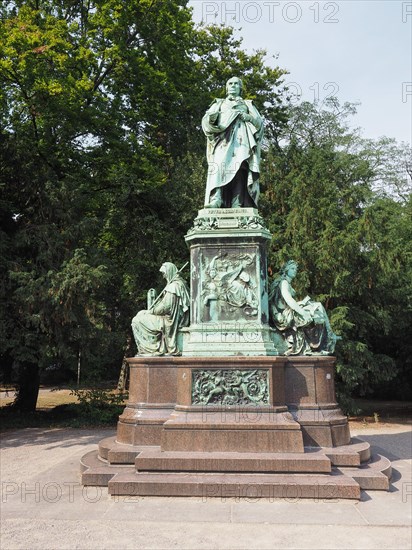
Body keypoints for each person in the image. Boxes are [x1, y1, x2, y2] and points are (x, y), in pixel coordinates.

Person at [202, 77, 264, 208]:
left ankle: (238, 202)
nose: (233, 86)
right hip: (223, 141)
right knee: (218, 167)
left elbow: (259, 125)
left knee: (240, 170)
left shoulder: (248, 104)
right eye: (230, 83)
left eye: (236, 84)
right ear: (226, 87)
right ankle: (216, 199)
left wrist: (249, 118)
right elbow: (206, 122)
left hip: (242, 141)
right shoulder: (218, 104)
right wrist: (211, 120)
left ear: (240, 88)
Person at [269, 260, 340, 355]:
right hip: (283, 316)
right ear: (286, 270)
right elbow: (289, 300)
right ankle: (328, 339)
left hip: (287, 311)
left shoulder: (286, 283)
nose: (295, 271)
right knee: (316, 308)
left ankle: (328, 337)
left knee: (317, 306)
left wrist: (301, 303)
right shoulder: (284, 283)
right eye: (292, 269)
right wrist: (303, 312)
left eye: (296, 269)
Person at [131, 262, 190, 356]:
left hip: (169, 320)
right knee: (141, 313)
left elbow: (165, 307)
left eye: (164, 273)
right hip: (169, 318)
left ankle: (151, 349)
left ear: (169, 272)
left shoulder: (173, 287)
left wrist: (152, 311)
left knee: (137, 320)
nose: (163, 276)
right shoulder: (178, 285)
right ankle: (153, 347)